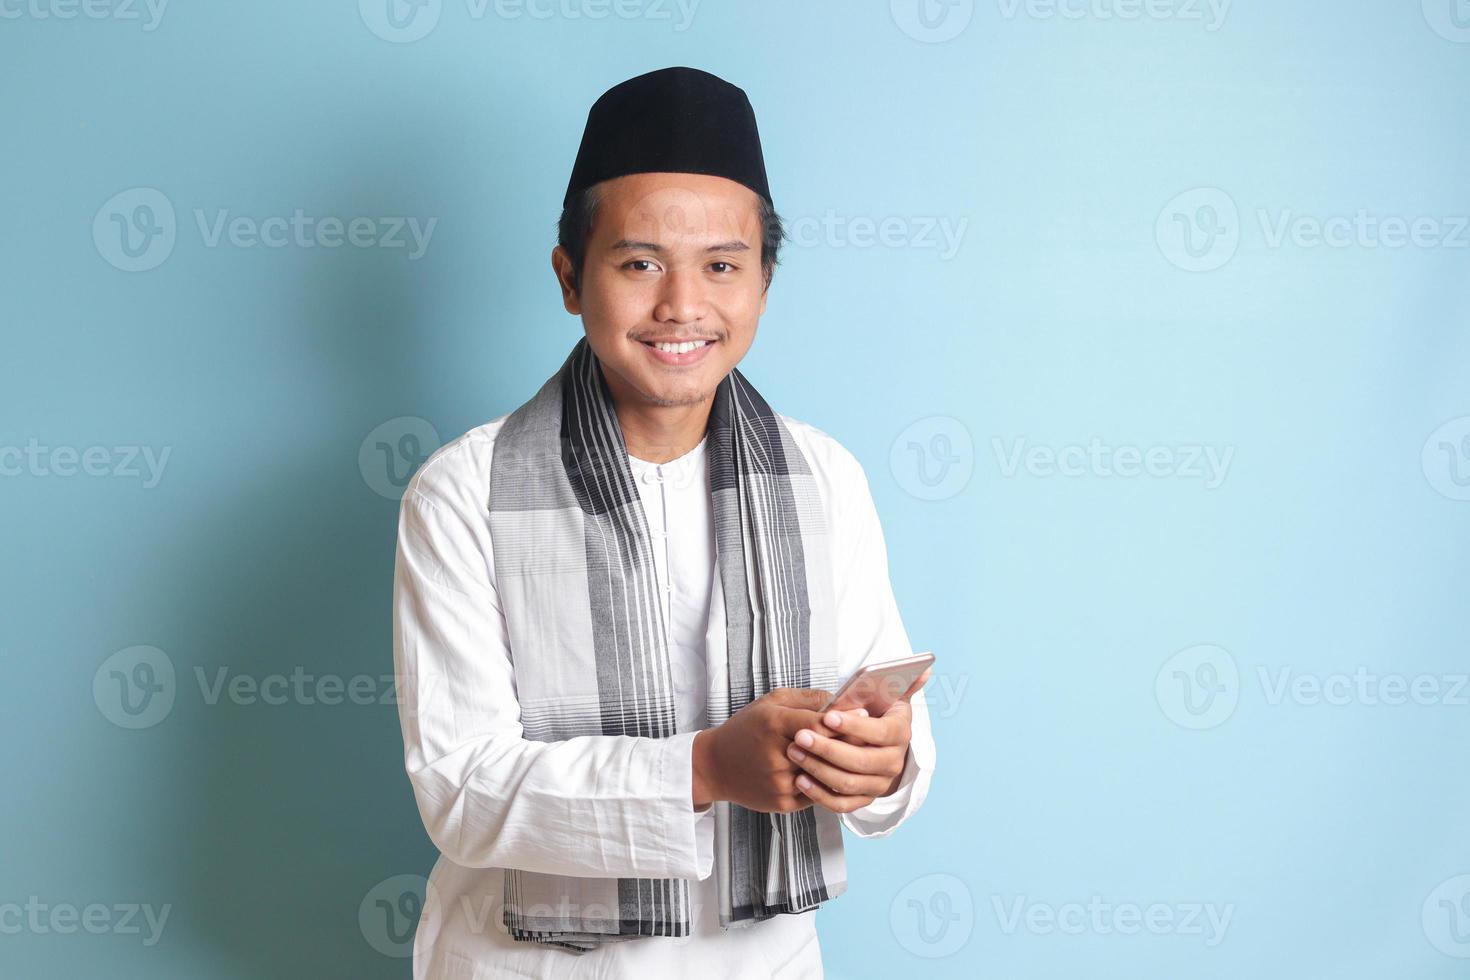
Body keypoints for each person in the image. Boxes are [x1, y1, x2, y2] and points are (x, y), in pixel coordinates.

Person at [391, 65, 937, 979]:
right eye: (639, 262)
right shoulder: (462, 493)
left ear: (764, 281)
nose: (682, 305)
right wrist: (706, 769)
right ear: (570, 277)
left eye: (722, 265)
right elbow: (462, 789)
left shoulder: (823, 477)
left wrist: (882, 763)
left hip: (759, 960)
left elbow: (891, 738)